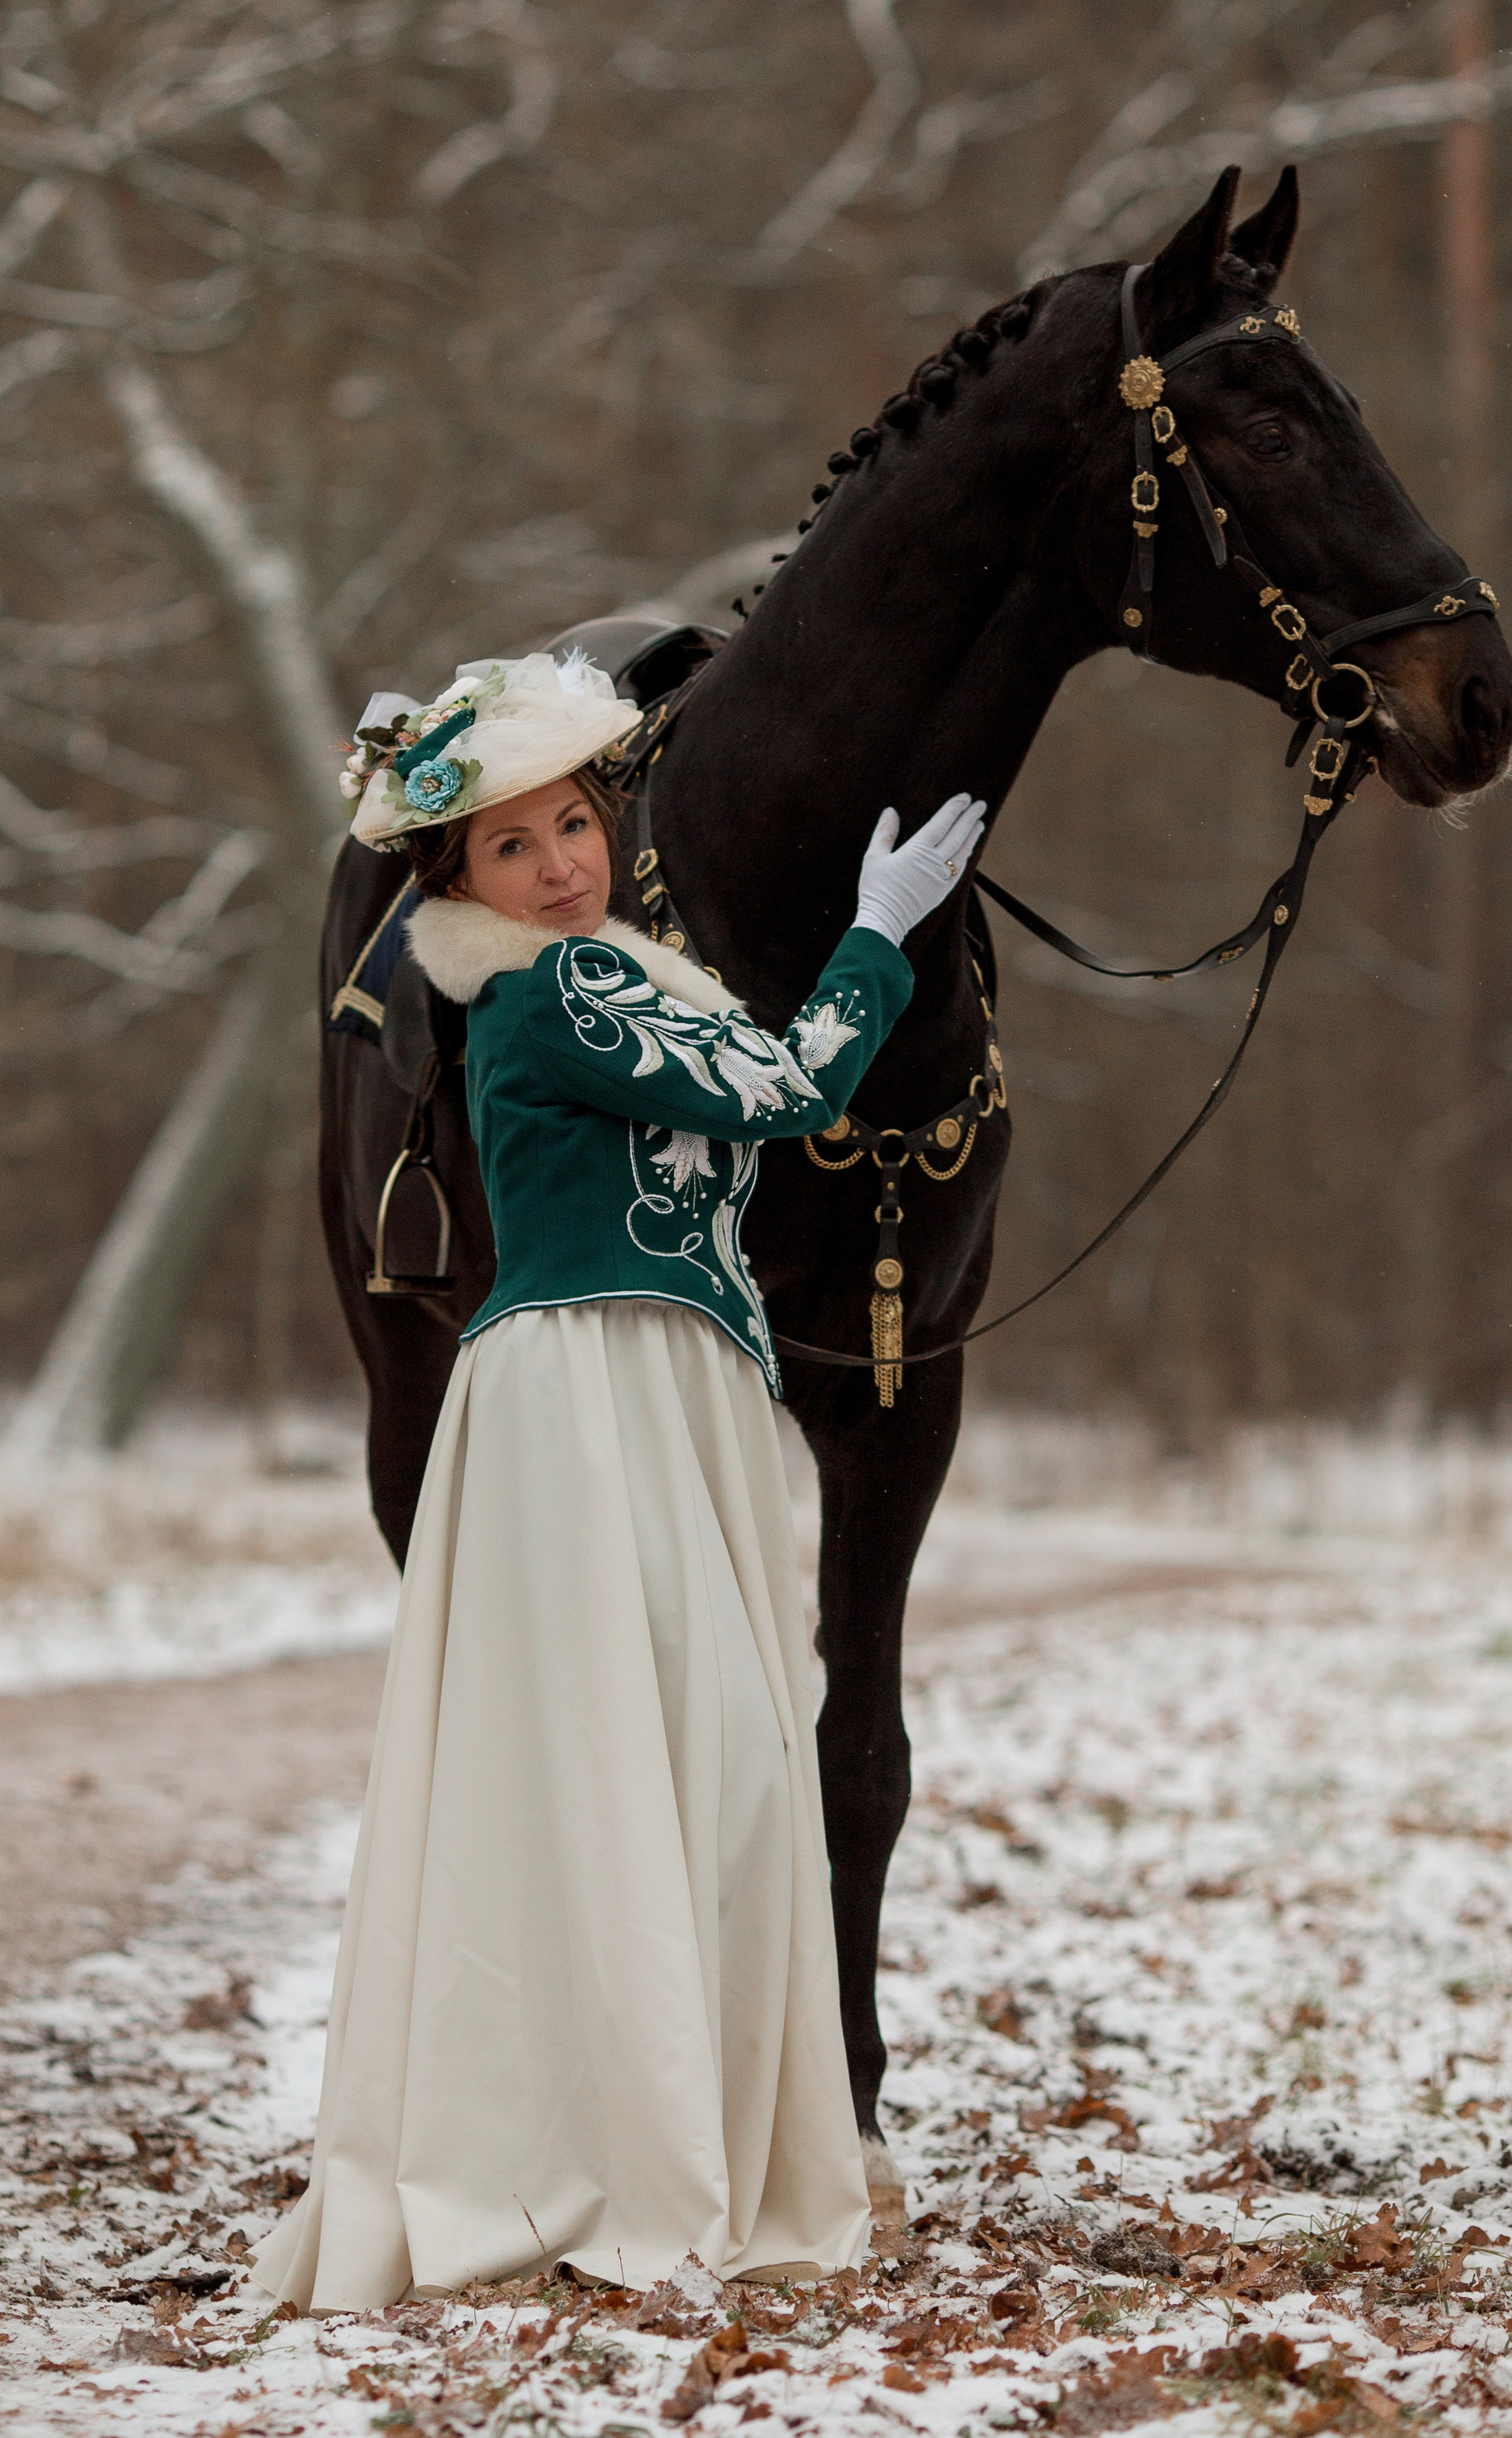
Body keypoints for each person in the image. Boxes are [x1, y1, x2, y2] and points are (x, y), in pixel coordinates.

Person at [252, 642, 984, 2309]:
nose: (559, 863)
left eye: (574, 824)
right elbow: (794, 1091)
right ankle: (619, 2152)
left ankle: (643, 2129)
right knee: (680, 1772)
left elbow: (742, 1089)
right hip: (592, 1392)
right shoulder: (548, 991)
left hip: (658, 1384)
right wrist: (878, 938)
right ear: (463, 881)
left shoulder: (625, 974)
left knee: (646, 1776)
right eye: (511, 848)